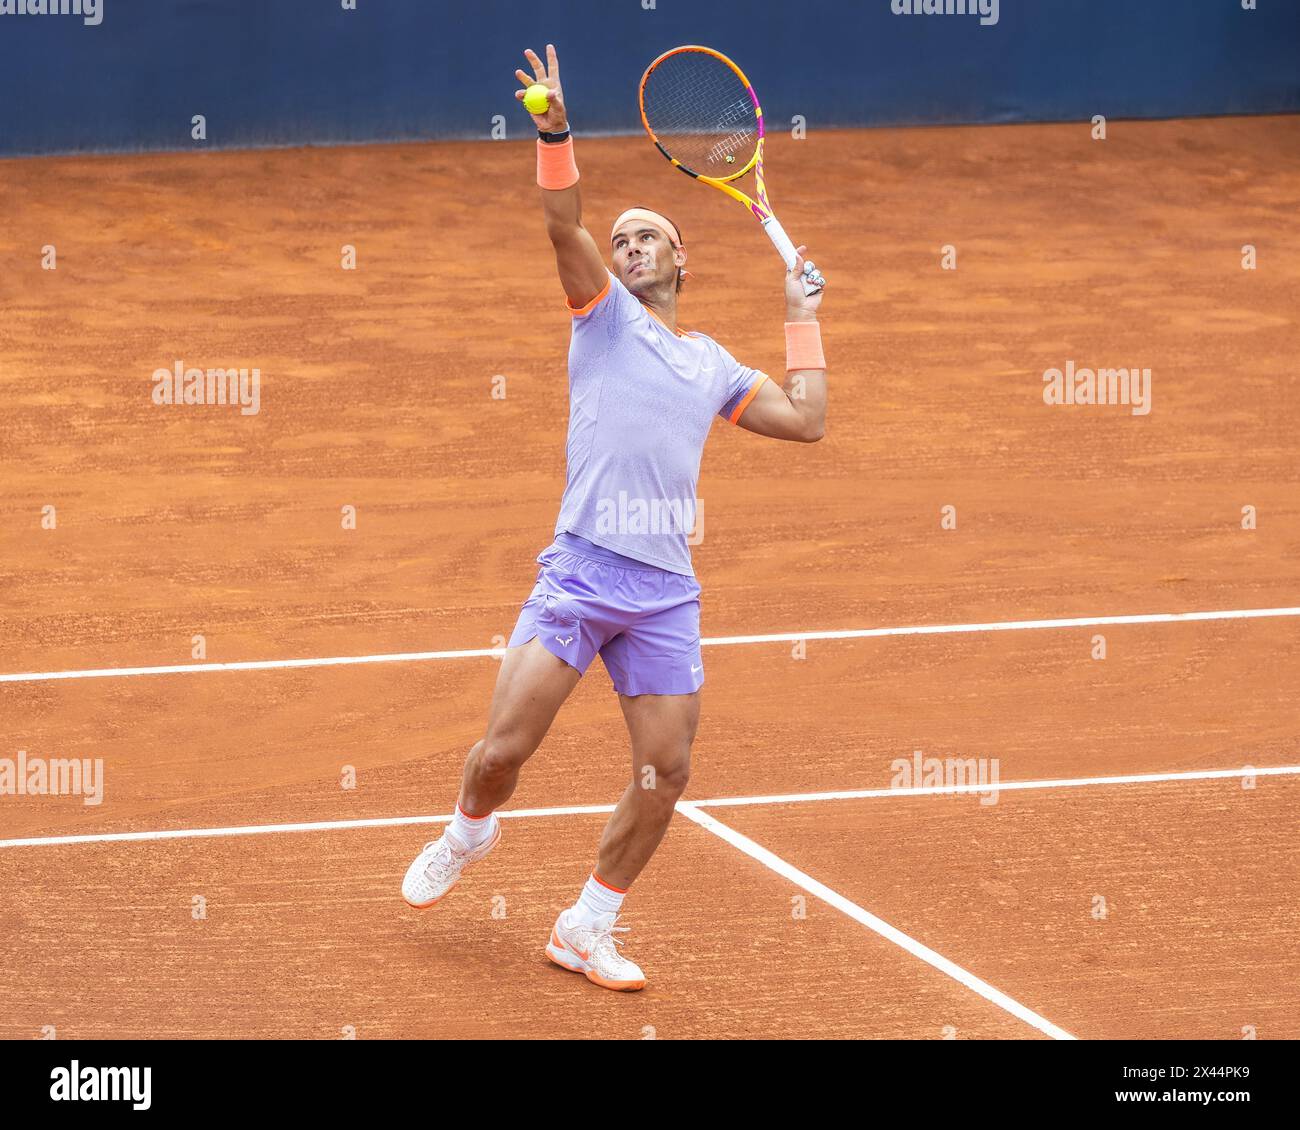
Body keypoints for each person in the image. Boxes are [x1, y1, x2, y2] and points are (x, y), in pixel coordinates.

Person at [402, 43, 828, 992]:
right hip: (583, 570)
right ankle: (467, 833)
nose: (630, 244)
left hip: (664, 589)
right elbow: (565, 223)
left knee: (665, 772)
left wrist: (800, 312)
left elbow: (806, 419)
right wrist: (554, 131)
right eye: (623, 237)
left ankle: (586, 925)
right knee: (504, 751)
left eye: (648, 237)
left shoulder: (710, 362)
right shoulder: (602, 316)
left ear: (684, 256)